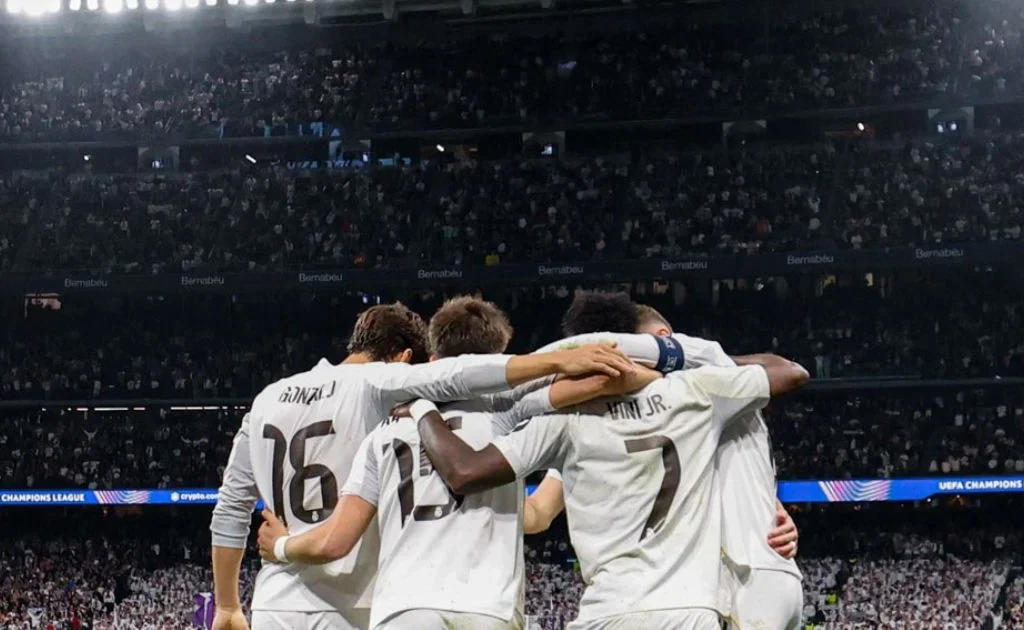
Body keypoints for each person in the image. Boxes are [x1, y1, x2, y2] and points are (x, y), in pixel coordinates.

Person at [209, 302, 635, 630]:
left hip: (277, 602)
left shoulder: (267, 398)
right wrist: (556, 362)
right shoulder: (379, 383)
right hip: (356, 603)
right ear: (405, 359)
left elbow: (229, 510)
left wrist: (228, 604)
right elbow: (461, 375)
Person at [406, 352, 809, 629]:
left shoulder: (564, 425)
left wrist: (422, 407)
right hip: (688, 611)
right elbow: (789, 372)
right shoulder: (692, 398)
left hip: (611, 610)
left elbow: (469, 472)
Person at [534, 291, 804, 628]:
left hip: (738, 576)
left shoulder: (700, 387)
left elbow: (791, 372)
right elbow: (538, 514)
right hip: (744, 578)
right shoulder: (596, 423)